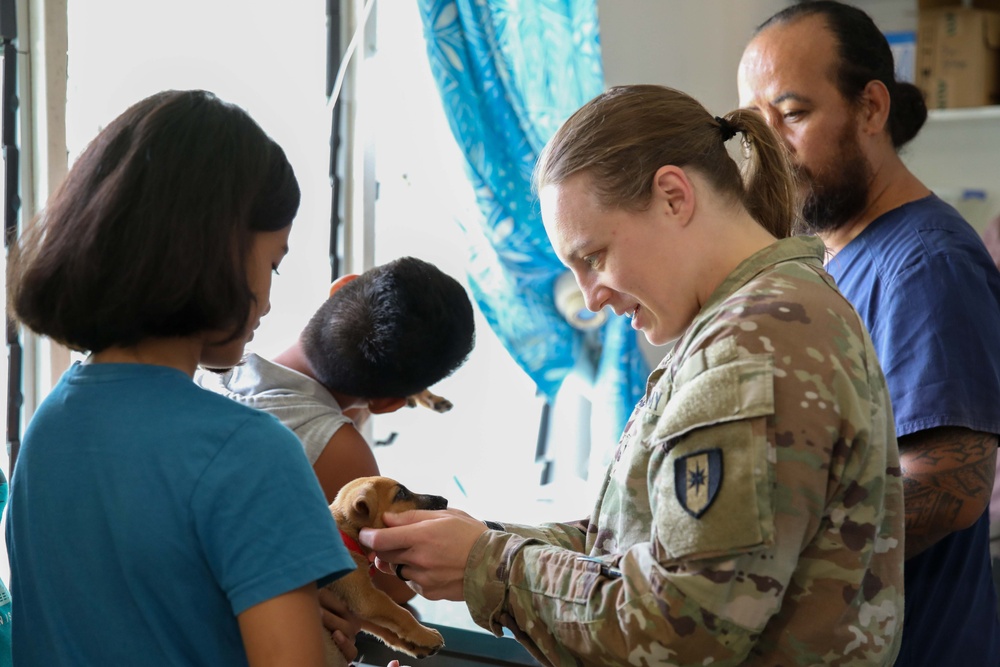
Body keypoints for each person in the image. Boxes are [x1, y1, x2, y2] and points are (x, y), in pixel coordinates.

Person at [357, 84, 905, 665]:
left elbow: (679, 629)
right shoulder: (744, 322)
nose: (591, 298)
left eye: (593, 257)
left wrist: (487, 563)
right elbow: (629, 546)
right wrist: (474, 543)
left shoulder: (753, 347)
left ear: (673, 196)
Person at [4, 89, 359, 666]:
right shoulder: (250, 451)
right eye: (272, 263)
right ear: (218, 249)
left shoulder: (51, 425)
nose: (268, 300)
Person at [737, 2, 1000, 665]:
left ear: (871, 109)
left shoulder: (925, 263)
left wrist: (764, 568)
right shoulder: (828, 261)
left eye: (793, 114)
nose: (771, 146)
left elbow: (951, 488)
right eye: (755, 126)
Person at [197, 255, 475, 604]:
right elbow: (386, 585)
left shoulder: (210, 370)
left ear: (340, 287)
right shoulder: (337, 449)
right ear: (388, 404)